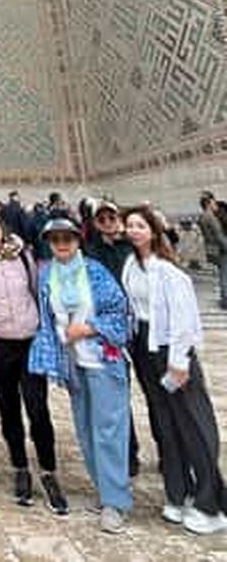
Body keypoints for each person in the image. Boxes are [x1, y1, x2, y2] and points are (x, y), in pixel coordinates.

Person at [122, 206, 227, 535]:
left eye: (140, 225)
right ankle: (178, 494)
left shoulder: (169, 272)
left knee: (194, 423)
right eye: (130, 226)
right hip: (145, 349)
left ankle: (210, 503)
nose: (134, 230)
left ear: (154, 230)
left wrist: (180, 361)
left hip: (171, 350)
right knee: (166, 423)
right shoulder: (131, 265)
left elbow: (185, 319)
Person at [29, 217, 132, 535]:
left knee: (109, 430)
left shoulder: (95, 271)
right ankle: (105, 493)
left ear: (78, 240)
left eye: (68, 238)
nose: (62, 243)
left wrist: (88, 328)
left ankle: (116, 502)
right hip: (73, 364)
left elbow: (121, 312)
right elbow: (46, 320)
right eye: (55, 238)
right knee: (86, 429)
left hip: (104, 361)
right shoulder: (47, 275)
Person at [0, 209, 68, 515]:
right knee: (8, 410)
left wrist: (46, 333)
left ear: (1, 225)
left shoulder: (24, 255)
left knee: (38, 409)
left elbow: (40, 293)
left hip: (29, 342)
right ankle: (20, 468)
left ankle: (49, 473)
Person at [84, 199, 149, 477]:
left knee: (155, 390)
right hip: (111, 331)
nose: (108, 222)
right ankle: (128, 452)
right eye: (103, 219)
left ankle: (166, 448)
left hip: (140, 330)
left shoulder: (132, 249)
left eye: (112, 217)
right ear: (96, 223)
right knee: (117, 393)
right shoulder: (90, 251)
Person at [197, 192, 227, 309]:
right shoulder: (210, 217)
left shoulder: (202, 216)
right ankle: (225, 300)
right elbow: (219, 235)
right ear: (209, 203)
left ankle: (224, 298)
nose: (215, 204)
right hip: (220, 249)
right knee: (224, 274)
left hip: (212, 249)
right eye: (213, 201)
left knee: (222, 274)